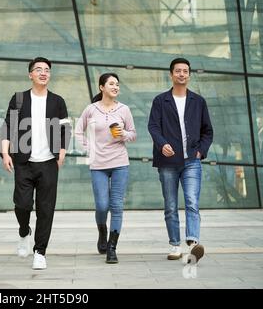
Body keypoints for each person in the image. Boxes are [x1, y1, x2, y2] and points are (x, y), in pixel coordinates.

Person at [0, 57, 71, 270]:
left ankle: (40, 251)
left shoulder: (57, 101)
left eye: (47, 70)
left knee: (46, 209)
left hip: (49, 162)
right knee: (22, 205)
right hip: (24, 161)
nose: (43, 73)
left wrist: (62, 154)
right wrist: (5, 153)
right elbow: (8, 126)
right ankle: (24, 230)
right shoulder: (19, 98)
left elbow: (65, 129)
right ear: (30, 74)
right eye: (38, 69)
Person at [148, 58, 213, 264]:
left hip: (192, 161)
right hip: (167, 162)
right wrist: (162, 144)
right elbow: (153, 126)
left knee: (192, 202)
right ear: (171, 74)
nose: (182, 74)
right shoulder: (160, 100)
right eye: (178, 71)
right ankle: (175, 245)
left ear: (189, 75)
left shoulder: (198, 101)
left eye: (185, 71)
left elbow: (207, 131)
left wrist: (201, 151)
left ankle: (193, 243)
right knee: (171, 205)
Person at [75, 73, 136, 263]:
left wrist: (124, 134)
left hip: (120, 163)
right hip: (98, 164)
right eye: (111, 84)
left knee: (116, 206)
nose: (116, 87)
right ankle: (102, 229)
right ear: (102, 87)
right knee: (102, 205)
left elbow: (133, 134)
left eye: (117, 84)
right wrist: (88, 147)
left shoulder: (124, 109)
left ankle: (112, 247)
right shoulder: (91, 109)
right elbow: (77, 131)